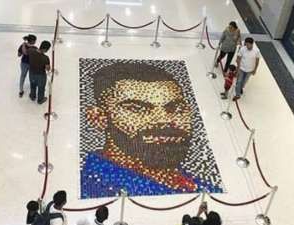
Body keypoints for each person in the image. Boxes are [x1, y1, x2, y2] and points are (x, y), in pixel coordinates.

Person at [82, 62, 223, 198]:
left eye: (176, 109)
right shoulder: (97, 187)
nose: (163, 120)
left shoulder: (201, 188)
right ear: (99, 118)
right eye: (136, 109)